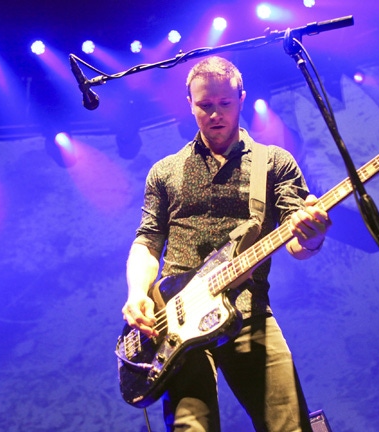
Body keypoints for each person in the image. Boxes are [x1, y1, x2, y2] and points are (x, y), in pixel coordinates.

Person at [121, 56, 331, 432]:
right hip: (175, 324)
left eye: (225, 104)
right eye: (204, 106)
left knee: (290, 426)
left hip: (247, 312)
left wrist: (312, 237)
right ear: (190, 103)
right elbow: (148, 240)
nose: (215, 114)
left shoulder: (274, 163)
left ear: (241, 99)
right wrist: (137, 291)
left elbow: (296, 243)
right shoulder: (165, 171)